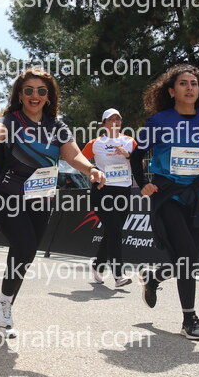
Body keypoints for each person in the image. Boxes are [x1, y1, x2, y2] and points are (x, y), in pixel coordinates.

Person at [0, 68, 105, 337]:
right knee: (25, 245)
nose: (35, 95)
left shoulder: (57, 127)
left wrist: (91, 169)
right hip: (7, 196)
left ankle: (4, 304)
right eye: (28, 90)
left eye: (41, 91)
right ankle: (4, 305)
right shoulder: (11, 120)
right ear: (20, 95)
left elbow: (73, 155)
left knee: (26, 253)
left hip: (42, 198)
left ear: (48, 96)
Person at [130, 64, 199, 341]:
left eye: (194, 83)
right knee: (186, 254)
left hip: (197, 195)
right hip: (167, 194)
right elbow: (137, 155)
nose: (189, 88)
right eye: (183, 83)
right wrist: (142, 182)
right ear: (171, 91)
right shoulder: (159, 121)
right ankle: (189, 318)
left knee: (188, 259)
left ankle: (154, 277)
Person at [82, 108, 136, 288]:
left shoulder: (129, 141)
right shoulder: (96, 143)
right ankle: (119, 274)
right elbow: (79, 161)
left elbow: (140, 164)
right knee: (115, 231)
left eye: (118, 119)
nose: (115, 122)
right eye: (111, 119)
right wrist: (92, 172)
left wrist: (128, 155)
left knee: (112, 231)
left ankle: (98, 265)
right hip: (102, 191)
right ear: (104, 123)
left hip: (124, 191)